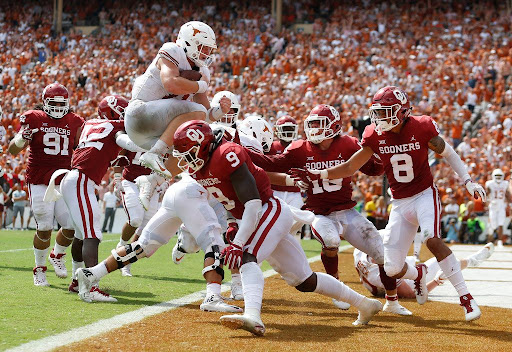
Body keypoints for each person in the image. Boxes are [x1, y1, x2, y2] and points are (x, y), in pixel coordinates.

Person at [292, 86, 487, 321]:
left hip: (424, 194)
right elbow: (351, 167)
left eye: (386, 112)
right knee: (392, 268)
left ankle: (466, 299)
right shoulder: (374, 134)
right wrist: (319, 174)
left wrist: (468, 181)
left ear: (403, 111)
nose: (380, 117)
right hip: (399, 202)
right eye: (378, 112)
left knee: (432, 240)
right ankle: (419, 274)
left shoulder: (422, 126)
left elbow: (449, 154)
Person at [247, 105, 408, 315]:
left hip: (347, 210)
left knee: (380, 253)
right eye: (312, 124)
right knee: (330, 241)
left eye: (319, 124)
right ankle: (336, 288)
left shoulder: (348, 144)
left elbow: (373, 169)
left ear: (334, 125)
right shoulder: (299, 148)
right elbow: (274, 163)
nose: (314, 129)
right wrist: (244, 151)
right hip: (320, 213)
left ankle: (392, 300)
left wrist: (382, 152)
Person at [46, 95, 129, 301]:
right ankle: (91, 286)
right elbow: (127, 138)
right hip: (82, 179)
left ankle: (77, 281)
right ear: (112, 112)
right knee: (92, 233)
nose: (126, 115)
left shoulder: (90, 123)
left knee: (82, 234)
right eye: (123, 111)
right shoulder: (114, 126)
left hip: (75, 178)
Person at [124, 21, 230, 178]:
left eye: (209, 49)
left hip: (151, 136)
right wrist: (199, 86)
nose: (207, 52)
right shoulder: (173, 50)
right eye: (203, 47)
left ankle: (155, 181)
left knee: (197, 137)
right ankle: (155, 154)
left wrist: (221, 110)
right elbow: (170, 83)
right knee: (196, 114)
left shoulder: (202, 71)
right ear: (189, 42)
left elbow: (205, 116)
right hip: (140, 115)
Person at [8, 83, 84, 286]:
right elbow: (13, 150)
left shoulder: (75, 121)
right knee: (44, 226)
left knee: (71, 226)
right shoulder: (33, 118)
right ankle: (39, 269)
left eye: (62, 102)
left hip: (63, 178)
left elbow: (80, 148)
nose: (59, 106)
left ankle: (57, 254)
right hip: (40, 178)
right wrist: (22, 139)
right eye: (54, 102)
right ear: (45, 102)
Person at [354, 237, 494, 298]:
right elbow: (411, 294)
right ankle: (473, 260)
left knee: (437, 260)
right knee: (445, 261)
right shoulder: (380, 275)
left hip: (396, 272)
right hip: (407, 280)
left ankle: (472, 261)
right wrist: (436, 282)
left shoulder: (360, 252)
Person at [485, 169, 509, 247]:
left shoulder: (505, 183)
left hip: (501, 205)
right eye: (497, 176)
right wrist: (487, 202)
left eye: (500, 176)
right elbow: (486, 194)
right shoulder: (489, 183)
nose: (498, 177)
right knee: (493, 224)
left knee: (501, 223)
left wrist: (508, 202)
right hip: (493, 205)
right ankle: (493, 238)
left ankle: (500, 241)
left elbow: (508, 194)